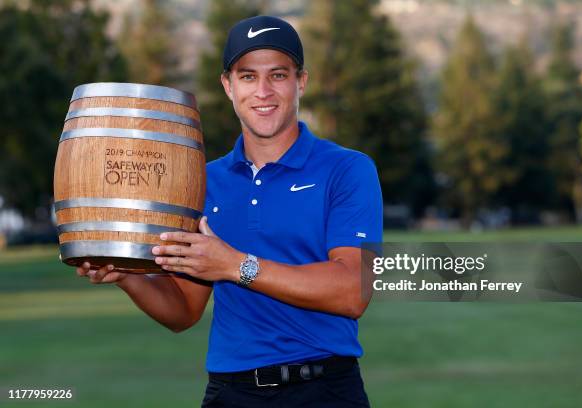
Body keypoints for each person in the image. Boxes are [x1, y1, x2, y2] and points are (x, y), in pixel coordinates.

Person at [77, 15, 382, 407]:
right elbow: (184, 311)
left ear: (300, 81)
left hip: (323, 388)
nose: (263, 92)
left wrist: (236, 265)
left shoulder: (348, 169)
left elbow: (351, 292)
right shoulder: (202, 181)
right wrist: (127, 278)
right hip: (229, 392)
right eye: (248, 76)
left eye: (278, 75)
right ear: (228, 85)